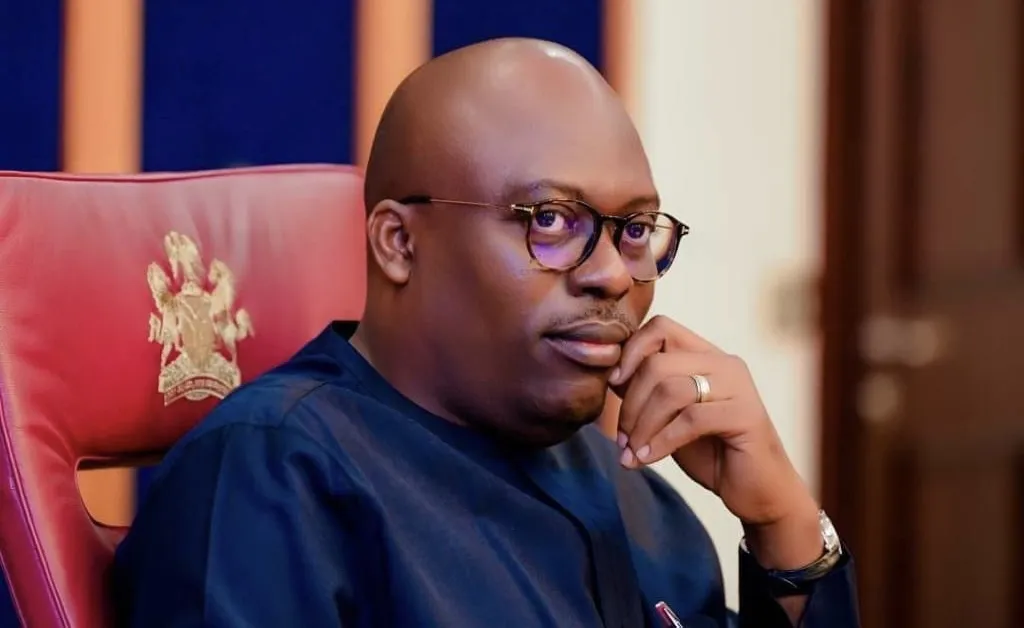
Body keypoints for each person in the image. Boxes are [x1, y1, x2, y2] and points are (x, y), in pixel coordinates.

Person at [112, 38, 860, 627]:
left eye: (634, 230)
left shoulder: (629, 487)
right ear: (399, 243)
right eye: (552, 220)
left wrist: (782, 521)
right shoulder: (274, 475)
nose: (611, 274)